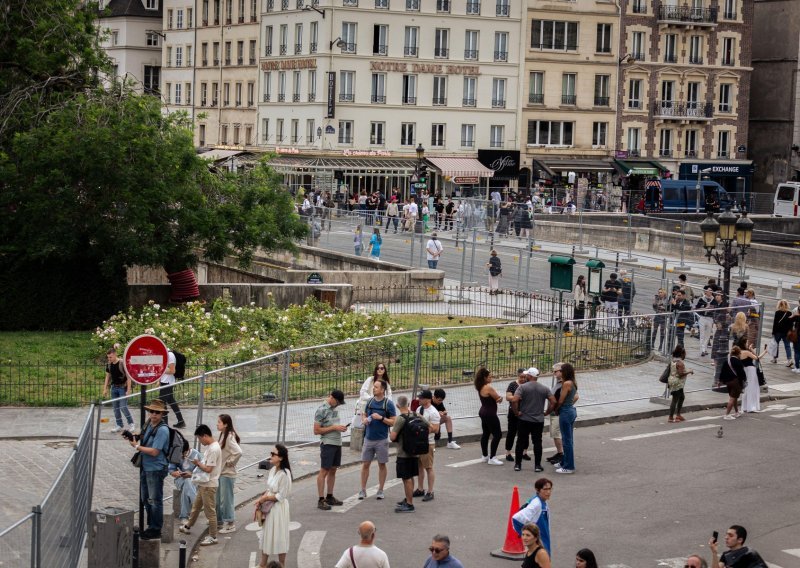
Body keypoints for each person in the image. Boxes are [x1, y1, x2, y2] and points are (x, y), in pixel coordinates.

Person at [127, 399, 170, 539]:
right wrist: (131, 437)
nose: (154, 414)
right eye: (152, 411)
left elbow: (154, 451)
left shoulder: (163, 430)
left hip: (156, 468)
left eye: (157, 412)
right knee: (145, 498)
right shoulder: (149, 424)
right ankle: (151, 525)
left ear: (162, 414)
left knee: (155, 499)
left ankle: (155, 528)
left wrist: (136, 446)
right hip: (146, 466)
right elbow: (142, 437)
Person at [178, 424, 222, 546]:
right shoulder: (210, 447)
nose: (199, 441)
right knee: (196, 507)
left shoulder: (213, 449)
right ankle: (187, 526)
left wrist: (197, 463)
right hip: (204, 483)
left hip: (209, 485)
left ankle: (213, 536)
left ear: (205, 436)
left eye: (199, 438)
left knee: (210, 512)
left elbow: (208, 469)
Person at [254, 444, 293, 568]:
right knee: (266, 534)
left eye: (273, 454)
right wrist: (261, 499)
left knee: (280, 535)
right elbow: (269, 488)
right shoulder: (272, 470)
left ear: (281, 457)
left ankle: (282, 564)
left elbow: (281, 496)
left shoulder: (285, 474)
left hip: (278, 508)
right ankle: (263, 563)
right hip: (268, 506)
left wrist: (264, 498)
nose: (270, 456)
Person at [511, 368, 556, 472]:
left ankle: (518, 464)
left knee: (520, 442)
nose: (525, 376)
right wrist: (547, 412)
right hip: (538, 420)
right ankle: (537, 465)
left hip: (524, 419)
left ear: (529, 376)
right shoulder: (544, 388)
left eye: (527, 375)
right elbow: (553, 401)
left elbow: (514, 400)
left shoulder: (522, 387)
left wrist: (516, 412)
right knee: (537, 442)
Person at [359, 379, 396, 500]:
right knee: (365, 464)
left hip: (381, 439)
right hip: (368, 438)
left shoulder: (388, 404)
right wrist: (364, 419)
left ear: (382, 390)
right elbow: (364, 414)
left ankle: (380, 490)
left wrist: (381, 418)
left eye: (376, 387)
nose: (373, 389)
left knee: (382, 464)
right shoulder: (370, 402)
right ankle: (363, 489)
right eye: (373, 387)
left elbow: (393, 421)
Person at [390, 395, 426, 513]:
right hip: (415, 451)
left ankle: (409, 504)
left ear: (397, 405)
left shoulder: (400, 419)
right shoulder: (416, 415)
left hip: (403, 453)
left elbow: (393, 437)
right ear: (409, 403)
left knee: (406, 478)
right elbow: (429, 426)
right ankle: (408, 499)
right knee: (410, 477)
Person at [314, 390, 348, 510]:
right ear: (332, 398)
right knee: (324, 470)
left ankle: (329, 496)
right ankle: (321, 499)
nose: (338, 404)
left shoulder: (334, 408)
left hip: (337, 442)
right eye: (337, 402)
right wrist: (334, 427)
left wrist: (340, 428)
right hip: (327, 443)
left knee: (333, 470)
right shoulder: (321, 410)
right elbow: (316, 430)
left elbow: (333, 425)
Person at [512, 477, 553, 556]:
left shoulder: (542, 501)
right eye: (545, 489)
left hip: (542, 543)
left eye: (550, 489)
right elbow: (516, 518)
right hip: (539, 547)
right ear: (538, 490)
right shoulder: (536, 504)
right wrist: (526, 537)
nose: (548, 492)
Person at [216, 414, 242, 533]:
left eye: (219, 422)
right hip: (221, 472)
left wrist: (230, 462)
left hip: (227, 473)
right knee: (219, 498)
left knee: (226, 500)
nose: (217, 424)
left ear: (225, 424)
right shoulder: (223, 434)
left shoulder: (229, 436)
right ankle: (219, 519)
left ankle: (230, 523)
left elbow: (238, 452)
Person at [414, 390, 440, 501]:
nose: (419, 399)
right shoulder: (418, 409)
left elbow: (436, 429)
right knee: (419, 466)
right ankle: (420, 488)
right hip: (418, 442)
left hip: (428, 443)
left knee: (428, 467)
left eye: (421, 398)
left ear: (428, 399)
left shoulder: (433, 412)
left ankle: (430, 491)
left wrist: (421, 430)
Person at [474, 368, 504, 466]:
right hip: (490, 413)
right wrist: (501, 398)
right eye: (489, 377)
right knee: (498, 434)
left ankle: (485, 455)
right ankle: (492, 457)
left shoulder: (480, 386)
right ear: (485, 378)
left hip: (483, 411)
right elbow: (497, 398)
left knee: (486, 434)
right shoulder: (488, 387)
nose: (491, 378)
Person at [551, 363, 578, 473]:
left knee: (566, 441)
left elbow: (561, 400)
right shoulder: (573, 382)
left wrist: (556, 409)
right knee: (568, 439)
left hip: (565, 411)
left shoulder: (566, 383)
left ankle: (568, 466)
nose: (560, 372)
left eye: (561, 370)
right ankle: (564, 462)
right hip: (570, 410)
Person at [103, 347, 135, 433]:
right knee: (115, 408)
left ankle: (131, 423)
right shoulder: (109, 364)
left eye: (111, 357)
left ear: (115, 354)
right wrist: (105, 389)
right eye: (108, 357)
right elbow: (107, 377)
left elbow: (129, 377)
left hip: (122, 388)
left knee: (123, 406)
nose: (109, 359)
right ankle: (119, 424)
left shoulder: (122, 363)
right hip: (114, 388)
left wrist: (128, 390)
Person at [169, 439, 201, 524]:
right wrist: (174, 473)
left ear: (188, 449)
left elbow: (202, 470)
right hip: (180, 479)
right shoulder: (177, 454)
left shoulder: (196, 454)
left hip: (193, 479)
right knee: (187, 481)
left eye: (183, 454)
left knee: (186, 487)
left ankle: (184, 517)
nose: (182, 456)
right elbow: (171, 469)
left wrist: (191, 474)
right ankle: (196, 502)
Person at [505, 369, 531, 462]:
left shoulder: (528, 383)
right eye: (521, 377)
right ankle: (508, 452)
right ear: (518, 376)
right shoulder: (513, 384)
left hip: (525, 412)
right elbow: (508, 397)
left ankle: (524, 452)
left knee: (525, 433)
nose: (523, 379)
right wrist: (517, 397)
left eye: (525, 377)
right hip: (513, 412)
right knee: (511, 432)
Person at [737, 339, 767, 413]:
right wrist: (765, 352)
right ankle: (751, 407)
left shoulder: (739, 352)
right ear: (744, 344)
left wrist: (750, 349)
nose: (747, 343)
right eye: (746, 342)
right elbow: (757, 358)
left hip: (744, 370)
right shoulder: (746, 352)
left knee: (746, 388)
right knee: (752, 387)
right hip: (750, 370)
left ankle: (745, 406)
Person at [158, 349, 186, 428]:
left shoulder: (170, 355)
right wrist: (159, 380)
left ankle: (165, 425)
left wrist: (161, 368)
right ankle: (181, 421)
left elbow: (172, 370)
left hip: (168, 382)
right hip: (165, 381)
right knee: (171, 401)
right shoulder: (163, 355)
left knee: (161, 403)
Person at [667, 345, 693, 423]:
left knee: (682, 397)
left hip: (673, 381)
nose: (685, 355)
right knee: (675, 399)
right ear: (681, 354)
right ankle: (671, 417)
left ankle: (678, 415)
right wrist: (689, 371)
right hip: (677, 383)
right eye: (684, 354)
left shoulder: (673, 360)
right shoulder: (680, 363)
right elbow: (681, 374)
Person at [720, 346, 746, 419]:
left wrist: (720, 381)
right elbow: (742, 374)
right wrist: (743, 381)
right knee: (732, 398)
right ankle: (727, 414)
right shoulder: (738, 362)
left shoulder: (727, 361)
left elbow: (722, 371)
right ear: (738, 354)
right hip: (736, 382)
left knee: (734, 397)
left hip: (728, 382)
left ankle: (737, 412)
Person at [695, 287, 717, 356]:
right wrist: (704, 308)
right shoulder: (702, 299)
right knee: (702, 334)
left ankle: (705, 348)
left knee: (707, 335)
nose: (710, 292)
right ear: (705, 292)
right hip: (702, 318)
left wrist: (711, 309)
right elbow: (697, 308)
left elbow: (715, 308)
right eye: (709, 290)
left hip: (710, 318)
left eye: (711, 290)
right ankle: (702, 350)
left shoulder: (714, 300)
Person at [771, 299, 793, 365]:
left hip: (778, 332)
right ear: (787, 305)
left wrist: (773, 332)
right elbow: (791, 324)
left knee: (775, 345)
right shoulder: (789, 313)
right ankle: (789, 359)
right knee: (787, 346)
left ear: (779, 305)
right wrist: (790, 331)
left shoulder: (777, 312)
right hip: (786, 333)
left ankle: (774, 358)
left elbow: (775, 324)